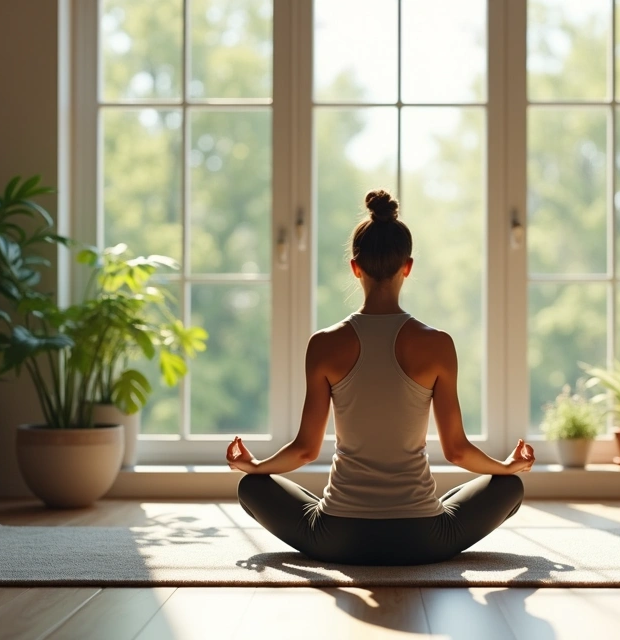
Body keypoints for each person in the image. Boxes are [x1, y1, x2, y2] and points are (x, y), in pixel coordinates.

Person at [229, 189, 534, 566]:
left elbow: (305, 450)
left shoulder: (324, 344)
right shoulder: (437, 344)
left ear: (354, 267)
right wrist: (505, 467)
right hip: (424, 539)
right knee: (509, 486)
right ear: (408, 266)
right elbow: (456, 451)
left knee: (252, 487)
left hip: (337, 538)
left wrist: (256, 467)